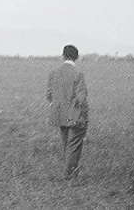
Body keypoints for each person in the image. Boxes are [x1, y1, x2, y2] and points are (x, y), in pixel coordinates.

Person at [46, 44, 88, 180]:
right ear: (76, 57)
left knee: (66, 144)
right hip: (74, 116)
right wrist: (83, 115)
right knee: (74, 144)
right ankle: (69, 174)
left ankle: (70, 171)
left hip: (59, 115)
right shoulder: (78, 74)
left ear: (63, 56)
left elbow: (49, 94)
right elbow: (81, 98)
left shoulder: (53, 73)